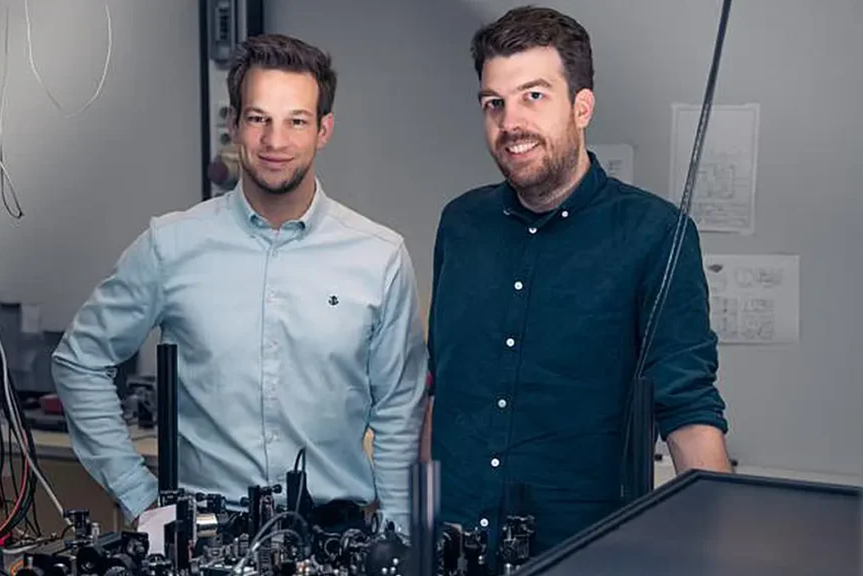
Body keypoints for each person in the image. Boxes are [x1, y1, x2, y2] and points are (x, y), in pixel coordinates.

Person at [52, 34, 428, 537]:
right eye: (258, 119)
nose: (276, 141)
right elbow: (81, 360)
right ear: (233, 125)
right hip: (205, 538)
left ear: (324, 130)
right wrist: (141, 500)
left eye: (296, 120)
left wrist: (399, 540)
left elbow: (400, 413)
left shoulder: (379, 258)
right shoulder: (171, 245)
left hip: (335, 539)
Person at [423, 6, 732, 556]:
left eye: (533, 96)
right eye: (494, 103)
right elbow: (440, 390)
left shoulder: (656, 235)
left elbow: (689, 410)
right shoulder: (460, 225)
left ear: (582, 106)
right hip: (455, 549)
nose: (510, 122)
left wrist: (729, 552)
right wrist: (422, 532)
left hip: (586, 554)